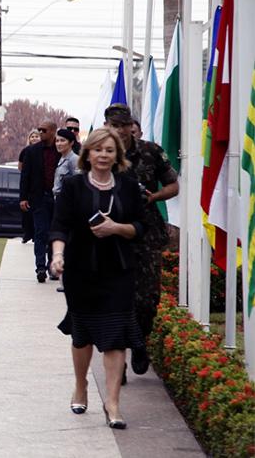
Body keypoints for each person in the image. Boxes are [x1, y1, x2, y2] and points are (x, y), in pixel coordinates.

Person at [49, 127, 148, 430]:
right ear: (87, 153)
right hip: (80, 271)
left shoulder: (130, 187)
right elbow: (60, 225)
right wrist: (57, 255)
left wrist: (115, 228)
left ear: (117, 155)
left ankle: (113, 403)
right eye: (98, 149)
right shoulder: (73, 186)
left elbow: (141, 227)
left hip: (118, 271)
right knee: (82, 334)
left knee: (116, 336)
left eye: (109, 150)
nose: (103, 155)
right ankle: (81, 387)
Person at [104, 104, 178, 376]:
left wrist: (154, 197)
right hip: (112, 234)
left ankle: (140, 342)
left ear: (131, 126)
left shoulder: (150, 152)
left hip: (146, 233)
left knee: (148, 299)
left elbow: (173, 185)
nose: (120, 130)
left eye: (124, 125)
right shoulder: (103, 153)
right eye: (114, 125)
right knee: (116, 298)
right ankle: (118, 356)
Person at [19, 120, 59, 283]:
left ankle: (52, 267)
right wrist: (23, 197)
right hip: (39, 198)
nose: (40, 133)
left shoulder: (61, 149)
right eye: (39, 129)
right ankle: (40, 267)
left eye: (44, 130)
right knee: (40, 232)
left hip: (58, 199)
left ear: (53, 132)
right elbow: (25, 176)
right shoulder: (31, 151)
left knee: (54, 233)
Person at [18, 129, 40, 244]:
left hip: (39, 186)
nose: (34, 138)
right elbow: (20, 167)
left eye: (37, 136)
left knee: (37, 213)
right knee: (26, 213)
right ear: (29, 139)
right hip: (27, 185)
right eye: (32, 136)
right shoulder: (25, 151)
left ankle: (36, 235)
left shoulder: (43, 151)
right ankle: (27, 234)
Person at [54, 129, 79, 197]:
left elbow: (78, 183)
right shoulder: (61, 159)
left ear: (71, 143)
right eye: (57, 141)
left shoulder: (74, 159)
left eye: (62, 140)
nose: (59, 144)